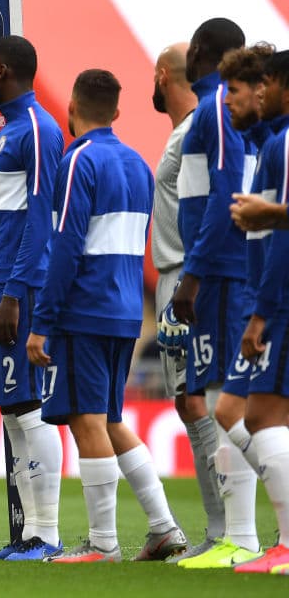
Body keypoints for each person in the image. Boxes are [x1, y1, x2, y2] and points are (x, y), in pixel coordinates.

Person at [28, 69, 186, 563]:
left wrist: (42, 321)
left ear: (71, 108)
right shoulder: (139, 163)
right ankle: (163, 527)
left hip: (84, 310)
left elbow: (67, 245)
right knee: (112, 418)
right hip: (123, 311)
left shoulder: (78, 161)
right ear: (117, 112)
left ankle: (102, 544)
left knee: (86, 420)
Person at [174, 42, 274, 568]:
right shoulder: (236, 117)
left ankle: (243, 536)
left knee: (228, 403)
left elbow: (223, 196)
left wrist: (193, 274)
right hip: (229, 272)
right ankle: (240, 536)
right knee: (228, 402)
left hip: (224, 276)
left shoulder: (213, 109)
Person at [0, 35, 65, 559]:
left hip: (19, 286)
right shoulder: (11, 129)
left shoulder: (35, 128)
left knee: (30, 406)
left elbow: (40, 217)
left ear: (4, 71)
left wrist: (13, 292)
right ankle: (32, 533)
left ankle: (48, 534)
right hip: (0, 284)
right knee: (13, 411)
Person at [149, 43, 226, 553]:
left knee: (200, 401)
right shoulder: (184, 132)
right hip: (177, 278)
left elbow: (211, 209)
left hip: (185, 279)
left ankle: (226, 530)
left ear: (162, 76)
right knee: (189, 401)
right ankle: (223, 529)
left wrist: (191, 281)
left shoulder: (192, 133)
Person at [230, 49, 289, 574]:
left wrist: (261, 311)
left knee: (258, 416)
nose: (258, 93)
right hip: (272, 298)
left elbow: (278, 240)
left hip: (279, 301)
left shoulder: (283, 144)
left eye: (266, 83)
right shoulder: (270, 144)